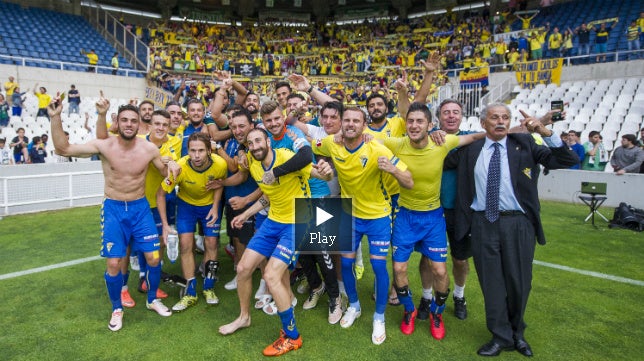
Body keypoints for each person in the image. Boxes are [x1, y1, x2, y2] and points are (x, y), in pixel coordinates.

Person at [445, 103, 578, 357]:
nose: (501, 122)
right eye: (494, 117)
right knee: (491, 284)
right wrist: (437, 135)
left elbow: (566, 160)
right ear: (483, 123)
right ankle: (500, 336)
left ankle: (518, 334)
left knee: (519, 282)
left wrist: (546, 131)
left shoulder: (524, 144)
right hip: (483, 222)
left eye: (505, 117)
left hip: (518, 224)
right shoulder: (469, 149)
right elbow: (435, 156)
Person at [50, 94, 179, 331]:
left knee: (154, 258)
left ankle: (152, 299)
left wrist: (171, 167)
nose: (129, 124)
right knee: (113, 263)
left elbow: (165, 174)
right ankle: (117, 308)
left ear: (140, 124)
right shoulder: (104, 146)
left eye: (133, 120)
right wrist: (56, 116)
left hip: (141, 209)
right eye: (124, 120)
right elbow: (62, 147)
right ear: (117, 123)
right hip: (114, 209)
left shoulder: (149, 148)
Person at [218, 128, 332, 357]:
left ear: (268, 142)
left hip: (298, 220)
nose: (255, 145)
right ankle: (244, 317)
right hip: (273, 221)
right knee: (243, 268)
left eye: (258, 140)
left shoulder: (286, 158)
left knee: (271, 275)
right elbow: (268, 196)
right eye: (250, 143)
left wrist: (327, 172)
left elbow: (322, 176)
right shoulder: (254, 162)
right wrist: (246, 214)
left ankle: (292, 337)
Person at [313, 106, 413, 345]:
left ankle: (379, 317)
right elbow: (314, 145)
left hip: (378, 215)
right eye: (346, 120)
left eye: (356, 120)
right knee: (345, 263)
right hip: (350, 214)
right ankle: (355, 306)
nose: (350, 124)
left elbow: (408, 180)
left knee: (378, 267)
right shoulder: (331, 143)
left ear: (363, 125)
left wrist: (392, 170)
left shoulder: (377, 148)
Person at [384, 102, 483, 340]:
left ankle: (436, 314)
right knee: (398, 268)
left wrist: (515, 128)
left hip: (433, 218)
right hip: (405, 217)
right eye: (410, 121)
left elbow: (477, 136)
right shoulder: (397, 144)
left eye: (420, 121)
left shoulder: (443, 142)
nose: (414, 125)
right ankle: (409, 310)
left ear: (430, 125)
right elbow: (366, 138)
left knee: (439, 270)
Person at [159, 132, 228, 311]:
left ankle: (209, 287)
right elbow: (161, 194)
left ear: (209, 151)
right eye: (192, 150)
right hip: (186, 207)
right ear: (187, 150)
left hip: (209, 207)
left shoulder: (220, 164)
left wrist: (215, 207)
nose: (196, 155)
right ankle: (190, 291)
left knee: (212, 243)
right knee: (185, 245)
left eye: (201, 151)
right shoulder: (179, 167)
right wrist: (165, 225)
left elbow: (219, 184)